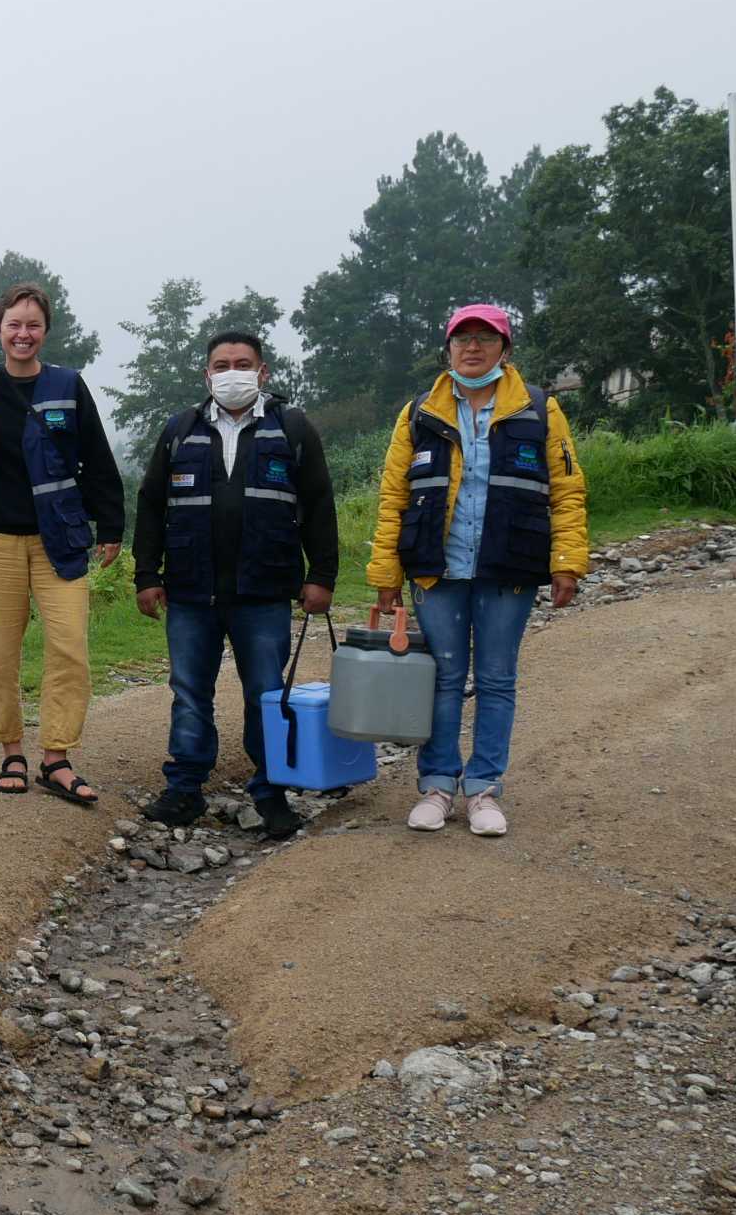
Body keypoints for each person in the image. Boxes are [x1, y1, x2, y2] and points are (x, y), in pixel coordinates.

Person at [368, 303, 588, 836]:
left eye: (484, 338)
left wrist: (567, 563)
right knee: (441, 679)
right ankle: (437, 786)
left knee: (496, 680)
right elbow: (394, 494)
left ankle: (485, 789)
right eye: (462, 338)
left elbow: (566, 490)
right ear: (448, 349)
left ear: (504, 350)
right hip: (435, 570)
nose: (472, 347)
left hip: (508, 567)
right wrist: (386, 575)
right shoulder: (419, 411)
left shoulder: (540, 409)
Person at [132, 330, 339, 839]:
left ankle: (271, 791)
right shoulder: (179, 430)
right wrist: (146, 574)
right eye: (221, 365)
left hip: (264, 593)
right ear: (207, 375)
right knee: (188, 692)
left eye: (242, 363)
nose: (232, 373)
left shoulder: (292, 429)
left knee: (266, 693)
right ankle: (184, 788)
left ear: (263, 371)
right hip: (189, 591)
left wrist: (322, 576)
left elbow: (318, 505)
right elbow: (151, 505)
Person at [0, 283, 125, 804]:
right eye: (14, 324)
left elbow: (99, 458)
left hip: (58, 541)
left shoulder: (68, 386)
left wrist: (110, 525)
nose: (24, 334)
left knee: (70, 648)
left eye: (33, 325)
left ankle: (56, 758)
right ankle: (12, 753)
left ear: (46, 331)